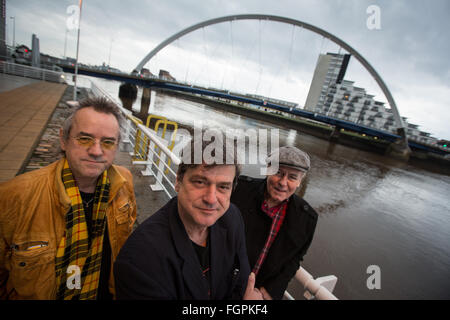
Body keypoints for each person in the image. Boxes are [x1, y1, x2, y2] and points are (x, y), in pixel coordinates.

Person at [0, 97, 137, 300]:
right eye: (84, 139)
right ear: (63, 140)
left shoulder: (124, 183)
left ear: (117, 147)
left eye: (108, 142)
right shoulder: (13, 197)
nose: (96, 151)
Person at [114, 136, 262, 300]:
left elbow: (240, 283)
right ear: (178, 181)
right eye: (200, 182)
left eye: (223, 187)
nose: (211, 199)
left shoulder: (232, 218)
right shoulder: (140, 259)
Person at [231, 146, 318, 300]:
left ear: (300, 181)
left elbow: (295, 259)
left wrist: (270, 292)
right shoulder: (239, 190)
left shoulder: (307, 218)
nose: (283, 183)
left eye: (292, 177)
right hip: (221, 281)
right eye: (278, 172)